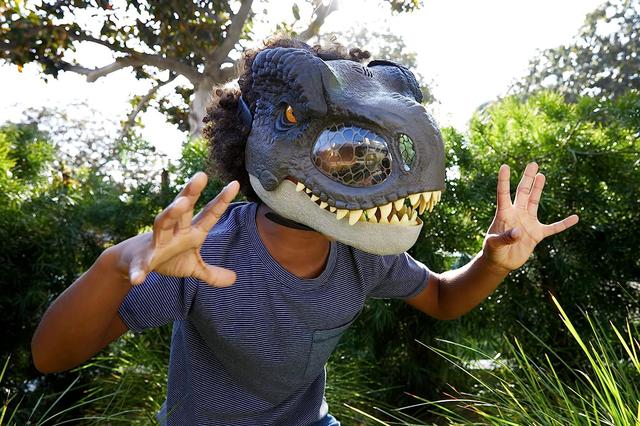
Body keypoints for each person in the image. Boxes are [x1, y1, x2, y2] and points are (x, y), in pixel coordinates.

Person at [31, 38, 579, 425]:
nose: (352, 162)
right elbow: (52, 356)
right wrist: (116, 264)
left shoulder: (362, 250)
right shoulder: (201, 254)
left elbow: (440, 297)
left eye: (360, 152)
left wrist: (492, 263)